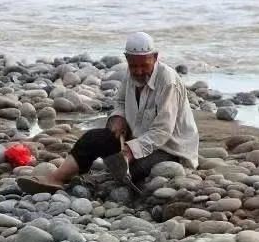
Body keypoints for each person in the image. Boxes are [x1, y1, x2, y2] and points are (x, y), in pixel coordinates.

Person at [17, 32, 199, 195]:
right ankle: (56, 178)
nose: (138, 71)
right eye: (133, 65)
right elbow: (120, 102)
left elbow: (162, 131)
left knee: (131, 169)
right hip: (137, 136)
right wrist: (118, 118)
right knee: (92, 139)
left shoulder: (168, 82)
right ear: (127, 59)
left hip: (170, 148)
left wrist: (130, 151)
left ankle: (97, 182)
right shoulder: (131, 73)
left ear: (155, 57)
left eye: (144, 65)